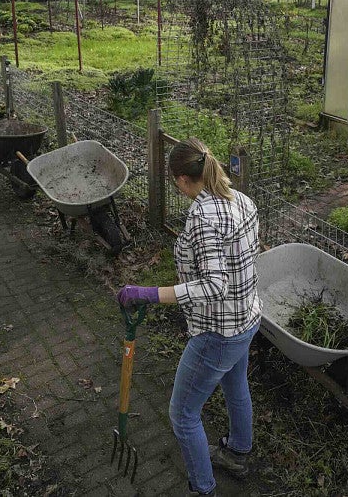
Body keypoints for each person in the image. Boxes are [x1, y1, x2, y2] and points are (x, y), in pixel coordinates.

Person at [116, 138, 261, 497]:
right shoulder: (241, 199)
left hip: (219, 331)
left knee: (182, 415)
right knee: (235, 386)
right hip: (247, 319)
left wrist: (149, 294)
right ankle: (239, 454)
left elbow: (213, 285)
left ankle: (203, 488)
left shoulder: (202, 216)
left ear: (182, 180)